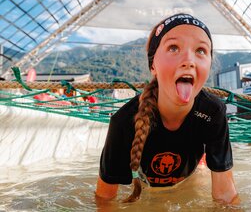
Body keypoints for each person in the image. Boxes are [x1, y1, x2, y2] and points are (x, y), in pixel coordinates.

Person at [95, 13, 239, 204]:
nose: (189, 60)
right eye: (173, 48)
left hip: (190, 178)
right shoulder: (123, 121)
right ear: (153, 64)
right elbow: (104, 200)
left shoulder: (213, 112)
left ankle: (203, 162)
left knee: (201, 174)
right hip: (146, 186)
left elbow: (225, 197)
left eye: (201, 51)